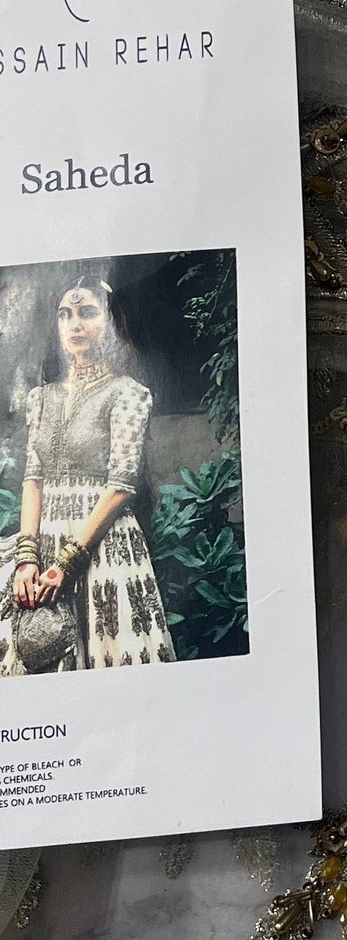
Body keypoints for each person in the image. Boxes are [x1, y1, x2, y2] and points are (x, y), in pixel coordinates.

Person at [3, 275, 176, 672]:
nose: (75, 324)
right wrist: (27, 558)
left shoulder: (127, 393)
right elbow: (33, 479)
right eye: (65, 314)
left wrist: (66, 563)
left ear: (112, 322)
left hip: (103, 547)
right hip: (44, 544)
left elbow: (122, 486)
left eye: (87, 313)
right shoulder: (40, 398)